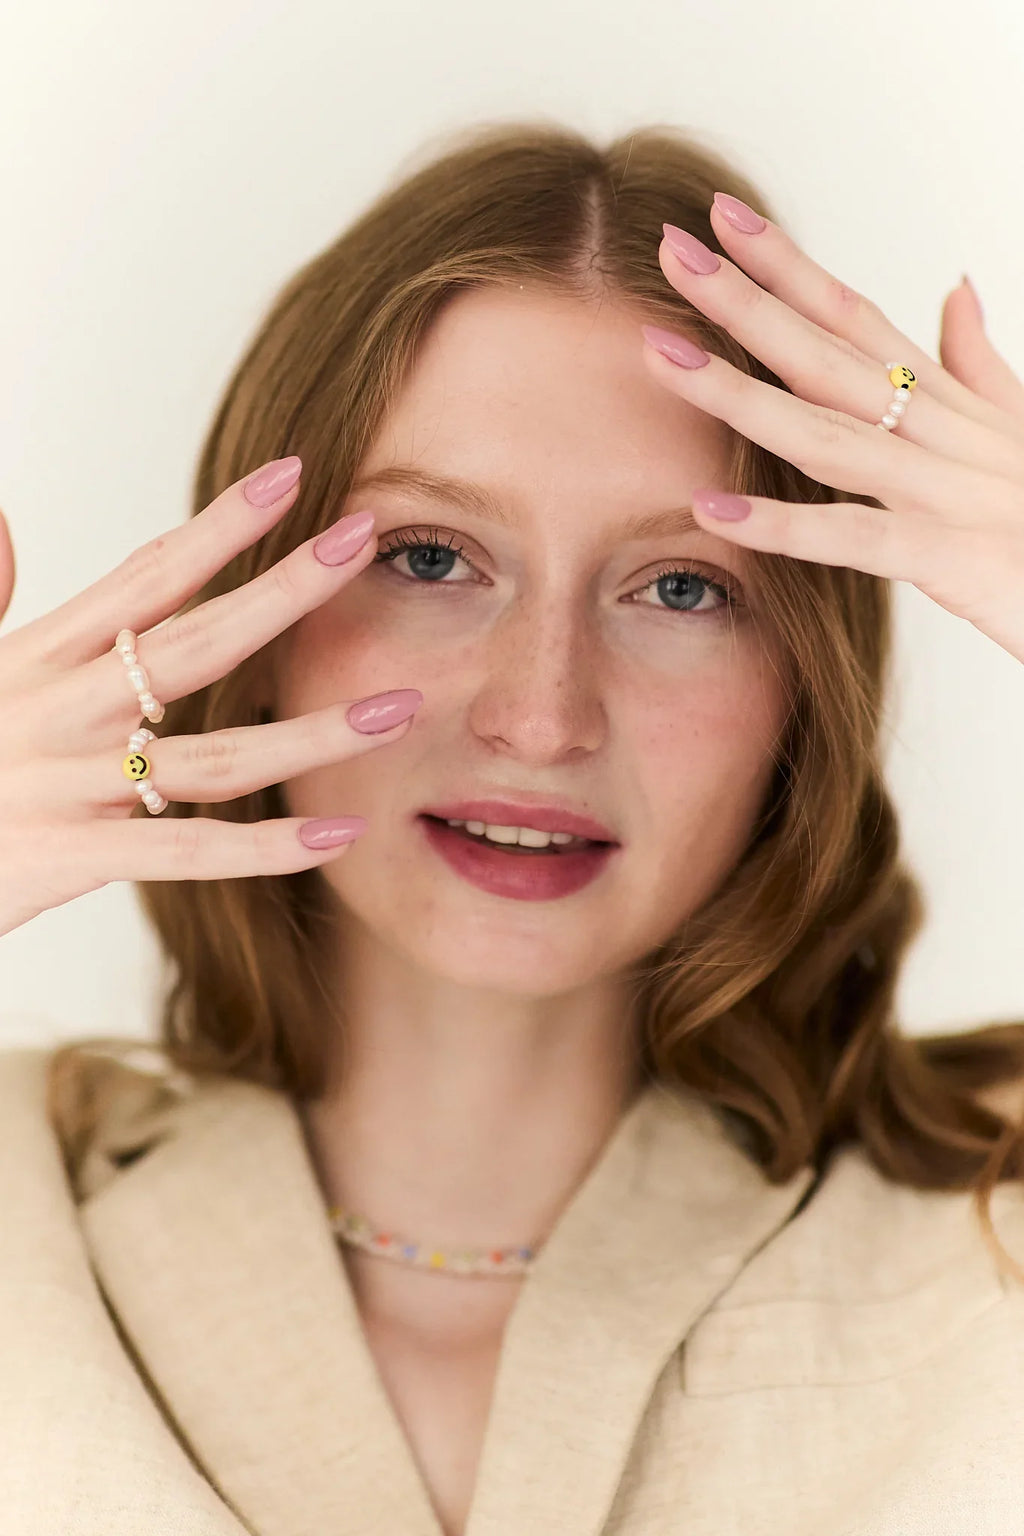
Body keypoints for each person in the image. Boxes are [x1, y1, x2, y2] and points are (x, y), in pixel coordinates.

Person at [1, 120, 1024, 1536]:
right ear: (251, 618)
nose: (542, 719)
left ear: (804, 682)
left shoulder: (996, 1230)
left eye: (678, 589)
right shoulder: (18, 1206)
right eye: (430, 558)